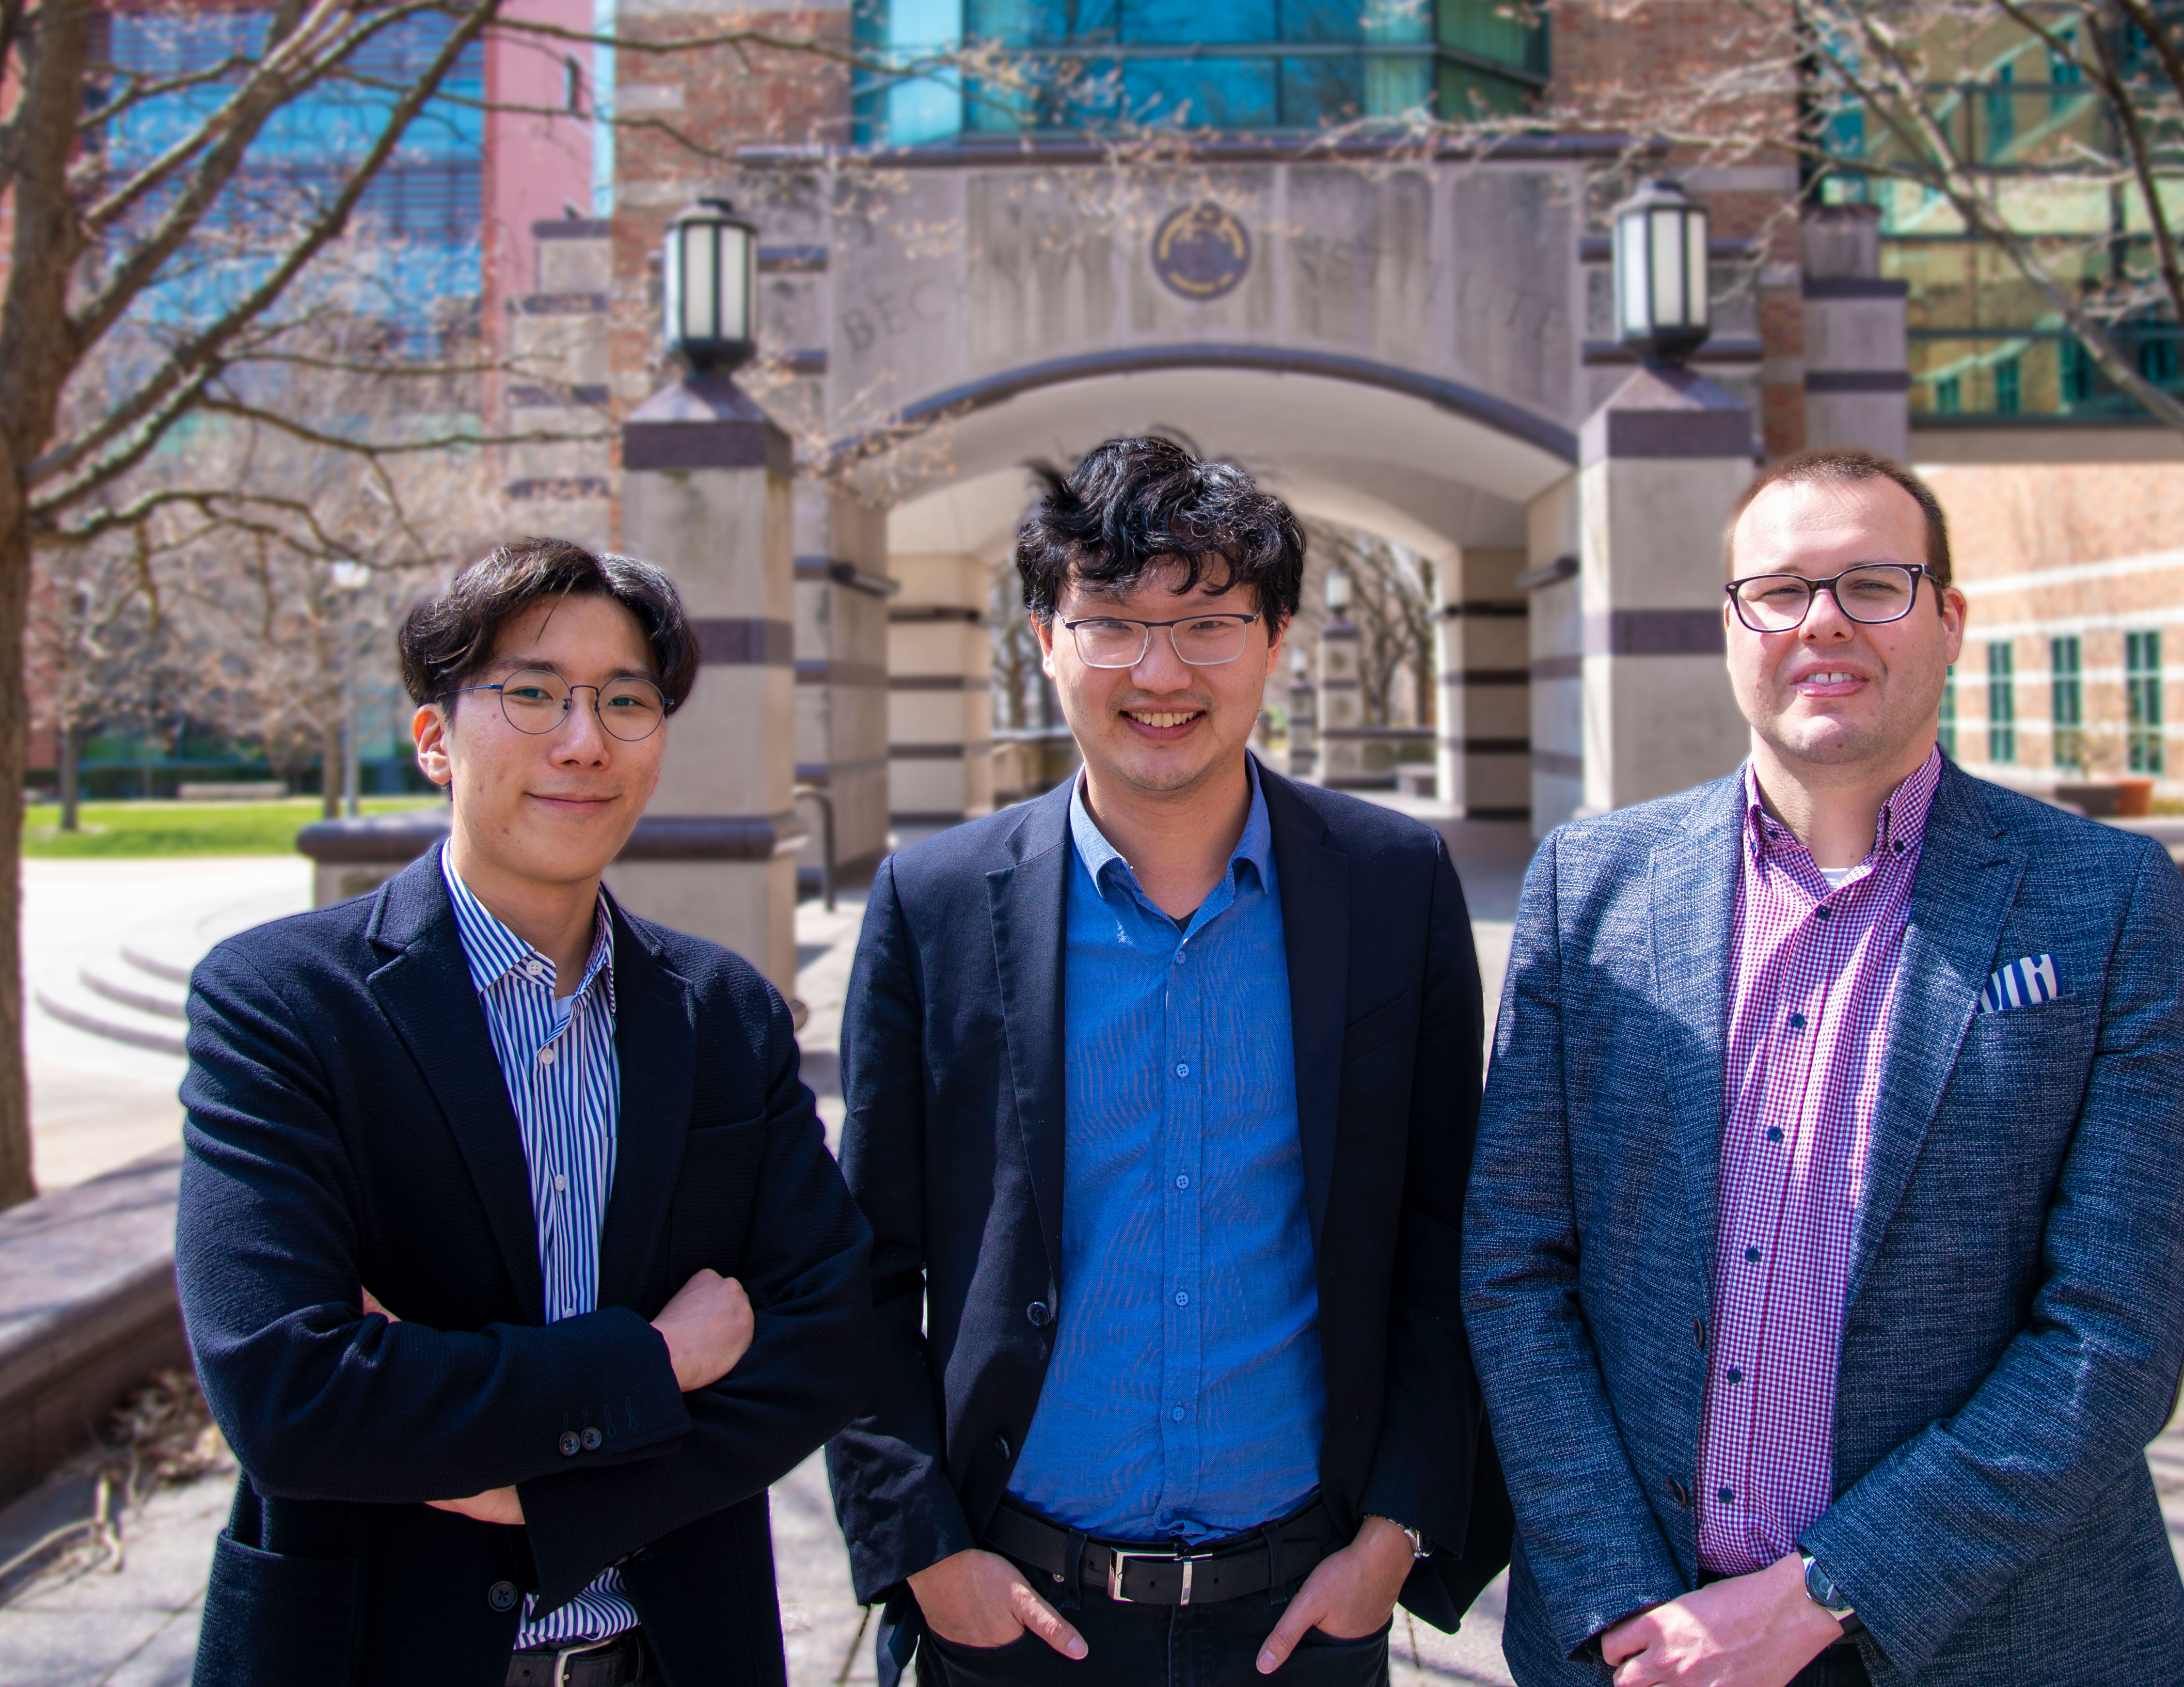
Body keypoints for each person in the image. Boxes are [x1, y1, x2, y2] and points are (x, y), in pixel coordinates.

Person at [1464, 447, 2184, 1687]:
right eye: (1779, 590)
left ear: (1949, 620)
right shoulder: (1590, 889)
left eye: (1874, 583)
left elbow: (2112, 1336)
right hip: (1639, 1646)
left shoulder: (2103, 900)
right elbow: (1512, 1269)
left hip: (1990, 1636)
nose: (1822, 622)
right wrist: (1619, 1597)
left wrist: (1826, 1591)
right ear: (1729, 628)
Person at [829, 438, 1502, 1687]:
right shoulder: (932, 904)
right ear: (1044, 638)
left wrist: (1393, 1536)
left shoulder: (1391, 887)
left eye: (1206, 625)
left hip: (1301, 1613)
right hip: (1014, 1609)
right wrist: (923, 1555)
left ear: (1276, 638)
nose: (1158, 672)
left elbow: (1441, 1229)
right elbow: (861, 1269)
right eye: (1113, 624)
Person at [176, 538, 872, 1687]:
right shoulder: (285, 1004)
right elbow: (288, 1393)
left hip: (673, 1652)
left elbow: (824, 1338)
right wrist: (655, 1360)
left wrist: (530, 1490)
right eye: (531, 693)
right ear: (435, 739)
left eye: (626, 701)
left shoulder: (722, 1014)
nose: (584, 739)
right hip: (369, 1652)